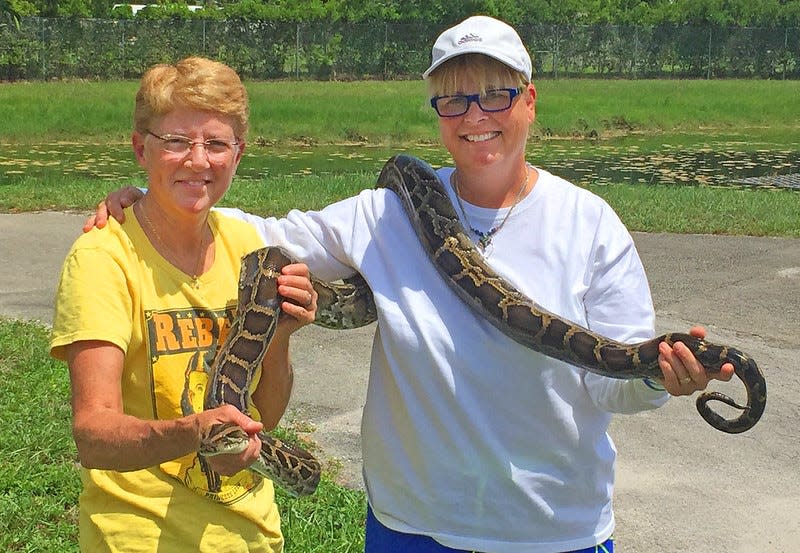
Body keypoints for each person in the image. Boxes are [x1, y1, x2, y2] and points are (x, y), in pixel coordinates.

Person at [87, 17, 734, 553]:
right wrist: (148, 200)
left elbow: (610, 379)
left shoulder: (587, 225)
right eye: (455, 98)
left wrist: (655, 376)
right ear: (438, 112)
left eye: (496, 95)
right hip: (412, 528)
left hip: (551, 530)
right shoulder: (383, 217)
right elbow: (261, 232)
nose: (475, 114)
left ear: (529, 102)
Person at [51, 56, 319, 552]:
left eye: (216, 143)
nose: (198, 160)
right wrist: (196, 431)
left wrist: (279, 335)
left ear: (238, 154)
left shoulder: (249, 250)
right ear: (140, 148)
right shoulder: (103, 257)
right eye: (176, 142)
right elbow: (92, 434)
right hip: (140, 539)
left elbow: (265, 419)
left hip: (251, 538)